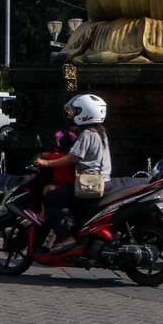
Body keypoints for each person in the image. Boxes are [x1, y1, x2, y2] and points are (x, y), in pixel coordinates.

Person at [34, 94, 111, 254]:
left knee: (51, 200)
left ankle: (66, 238)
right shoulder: (101, 132)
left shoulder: (87, 134)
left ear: (87, 113)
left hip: (89, 184)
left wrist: (46, 163)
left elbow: (73, 157)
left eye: (77, 111)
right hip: (103, 181)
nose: (74, 114)